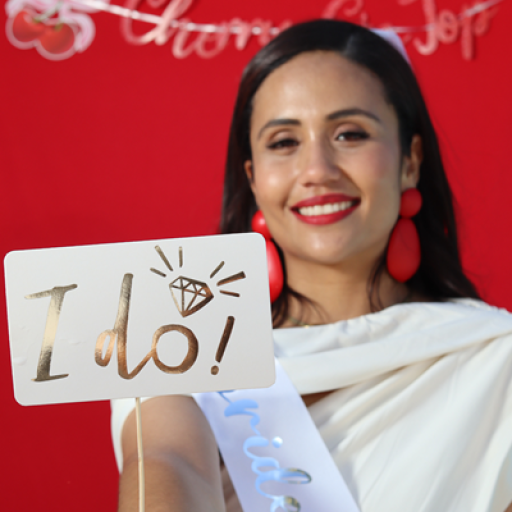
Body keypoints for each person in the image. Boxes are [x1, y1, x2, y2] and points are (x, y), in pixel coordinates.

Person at [112, 19, 512, 512]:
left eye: (350, 134)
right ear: (253, 177)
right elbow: (170, 464)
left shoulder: (495, 363)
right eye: (284, 142)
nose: (317, 170)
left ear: (410, 160)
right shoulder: (178, 348)